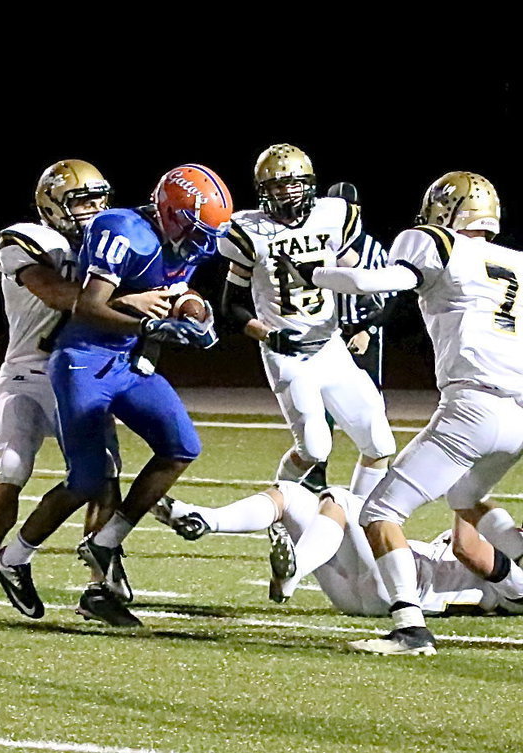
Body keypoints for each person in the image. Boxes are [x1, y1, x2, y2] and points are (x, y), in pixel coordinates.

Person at [0, 164, 231, 627]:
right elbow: (88, 304)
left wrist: (197, 315)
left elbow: (178, 289)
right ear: (168, 211)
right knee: (87, 479)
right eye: (193, 226)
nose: (200, 240)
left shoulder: (180, 237)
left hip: (127, 363)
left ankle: (104, 542)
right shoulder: (122, 230)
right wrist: (150, 324)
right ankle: (13, 557)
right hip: (83, 360)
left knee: (181, 446)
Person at [309, 171, 523, 655]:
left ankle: (410, 627)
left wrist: (312, 272)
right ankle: (517, 589)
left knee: (380, 511)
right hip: (519, 415)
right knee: (466, 501)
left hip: (474, 407)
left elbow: (374, 282)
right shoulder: (517, 261)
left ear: (445, 211)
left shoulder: (436, 241)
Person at [0, 160, 170, 618]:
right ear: (51, 206)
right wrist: (127, 301)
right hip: (29, 374)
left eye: (98, 199)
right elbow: (58, 294)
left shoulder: (112, 238)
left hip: (82, 371)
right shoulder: (26, 239)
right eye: (81, 201)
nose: (93, 210)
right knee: (12, 469)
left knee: (105, 472)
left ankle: (99, 583)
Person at [219, 144, 395, 503]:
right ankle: (278, 514)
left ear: (310, 184)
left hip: (330, 346)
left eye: (294, 183)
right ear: (263, 191)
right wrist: (269, 335)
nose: (287, 192)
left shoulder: (333, 216)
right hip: (288, 353)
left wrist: (368, 296)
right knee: (314, 448)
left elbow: (349, 266)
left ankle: (358, 524)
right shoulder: (248, 231)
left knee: (379, 441)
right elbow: (230, 306)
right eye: (278, 185)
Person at [153, 483, 523, 618]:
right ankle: (204, 519)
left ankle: (294, 571)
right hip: (366, 594)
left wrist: (471, 485)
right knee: (293, 496)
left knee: (343, 500)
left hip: (400, 592)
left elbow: (468, 549)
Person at [301, 181, 395, 493]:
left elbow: (392, 296)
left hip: (363, 330)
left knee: (370, 405)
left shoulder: (373, 250)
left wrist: (368, 331)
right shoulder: (315, 244)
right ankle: (317, 472)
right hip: (330, 333)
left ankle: (377, 469)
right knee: (322, 404)